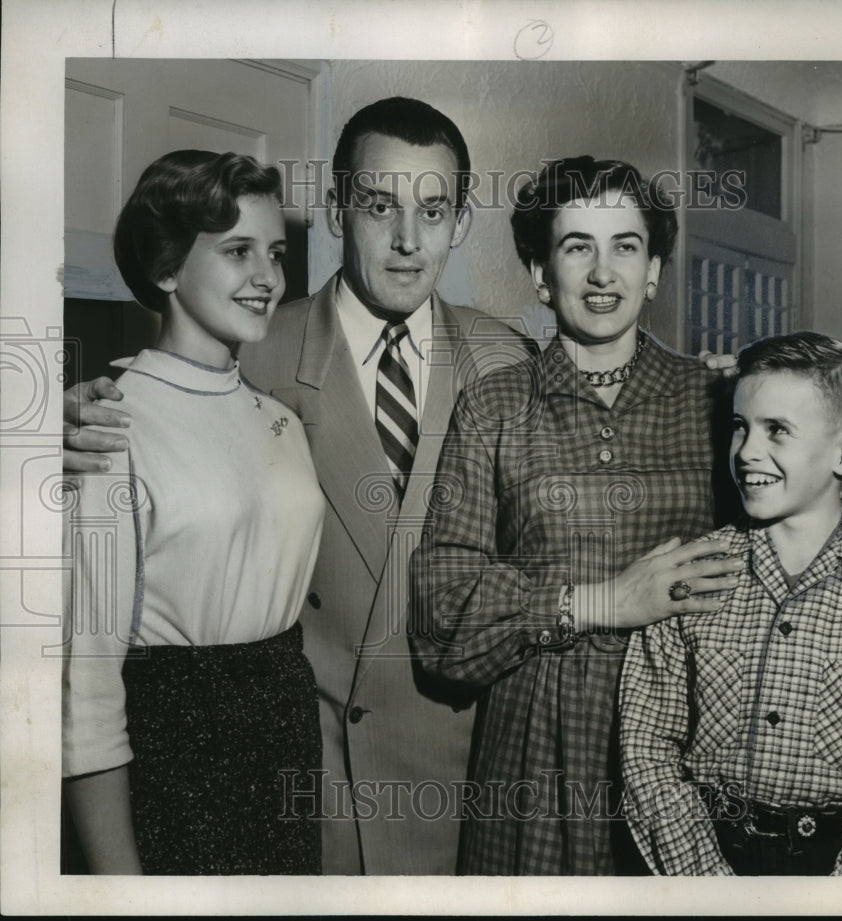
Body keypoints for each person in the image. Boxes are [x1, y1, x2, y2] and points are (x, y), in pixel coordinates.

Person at [63, 98, 536, 875]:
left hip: (461, 790)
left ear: (460, 220)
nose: (409, 241)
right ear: (338, 205)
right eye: (380, 205)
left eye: (434, 208)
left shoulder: (506, 360)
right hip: (302, 787)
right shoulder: (250, 345)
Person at [409, 156, 748, 875]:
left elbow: (802, 545)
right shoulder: (495, 407)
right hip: (537, 753)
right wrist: (602, 601)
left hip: (688, 744)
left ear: (653, 269)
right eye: (576, 247)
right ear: (539, 273)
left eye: (626, 246)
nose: (603, 273)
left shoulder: (717, 401)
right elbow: (439, 618)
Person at [62, 150, 326, 874]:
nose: (268, 277)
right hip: (176, 753)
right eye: (237, 251)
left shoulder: (282, 421)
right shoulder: (111, 426)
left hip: (283, 736)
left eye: (275, 252)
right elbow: (85, 687)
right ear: (167, 268)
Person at [619, 332, 842, 875]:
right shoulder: (692, 573)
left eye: (778, 430)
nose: (747, 450)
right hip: (706, 860)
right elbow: (647, 746)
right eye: (740, 427)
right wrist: (706, 887)